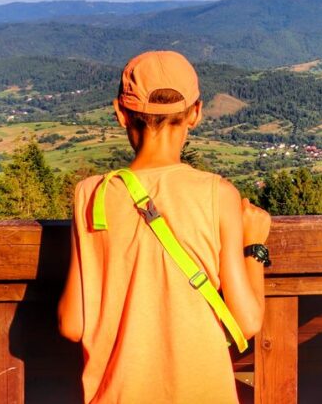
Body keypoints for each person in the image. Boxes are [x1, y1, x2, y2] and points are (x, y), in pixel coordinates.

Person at [58, 50, 269, 403]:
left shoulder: (91, 195)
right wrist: (255, 248)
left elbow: (72, 324)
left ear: (121, 114)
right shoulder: (219, 194)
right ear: (196, 113)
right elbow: (246, 322)